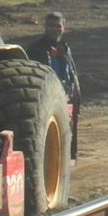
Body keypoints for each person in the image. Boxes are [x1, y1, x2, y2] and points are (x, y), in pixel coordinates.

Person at [25, 11, 83, 159]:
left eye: (58, 26)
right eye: (51, 26)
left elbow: (71, 72)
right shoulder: (36, 48)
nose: (54, 29)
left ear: (64, 27)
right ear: (45, 27)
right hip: (45, 98)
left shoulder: (65, 48)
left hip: (64, 97)